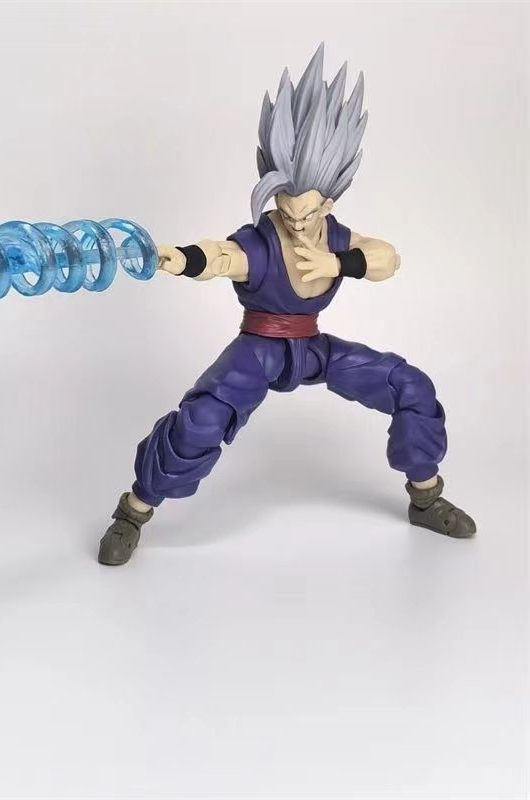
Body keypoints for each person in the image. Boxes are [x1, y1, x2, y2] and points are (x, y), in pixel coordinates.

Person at [98, 44, 476, 566]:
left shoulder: (336, 236)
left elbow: (387, 258)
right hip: (258, 350)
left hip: (313, 348)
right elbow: (221, 256)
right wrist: (179, 258)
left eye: (309, 211)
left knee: (410, 386)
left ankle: (426, 498)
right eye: (285, 207)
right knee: (201, 421)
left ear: (329, 201)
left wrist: (339, 263)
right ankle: (133, 511)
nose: (297, 221)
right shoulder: (260, 241)